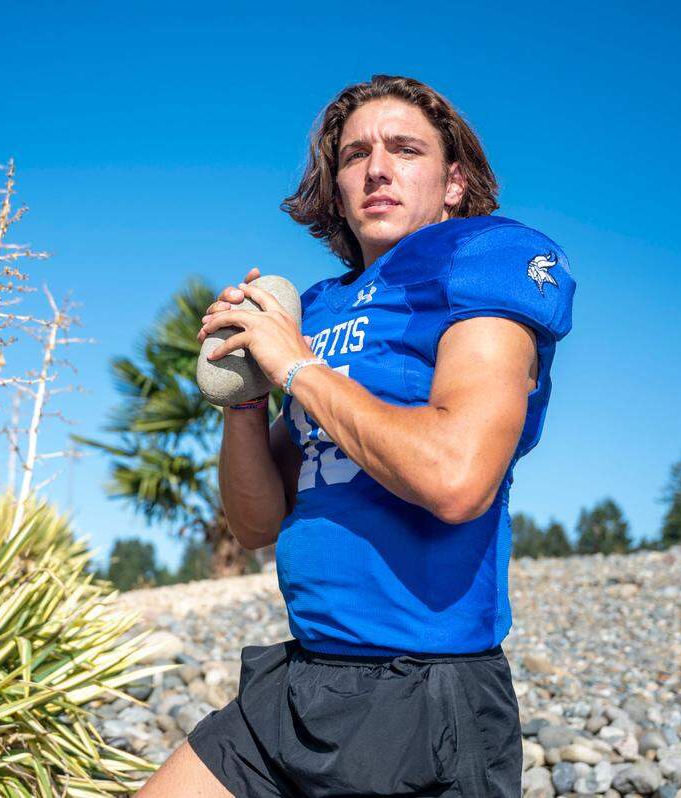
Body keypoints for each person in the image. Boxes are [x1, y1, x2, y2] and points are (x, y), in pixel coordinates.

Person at [135, 74, 575, 798]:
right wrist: (244, 398)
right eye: (354, 155)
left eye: (405, 149)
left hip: (422, 695)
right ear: (335, 185)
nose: (377, 168)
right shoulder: (316, 309)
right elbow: (255, 523)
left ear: (454, 181)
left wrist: (296, 367)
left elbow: (456, 479)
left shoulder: (485, 264)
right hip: (301, 679)